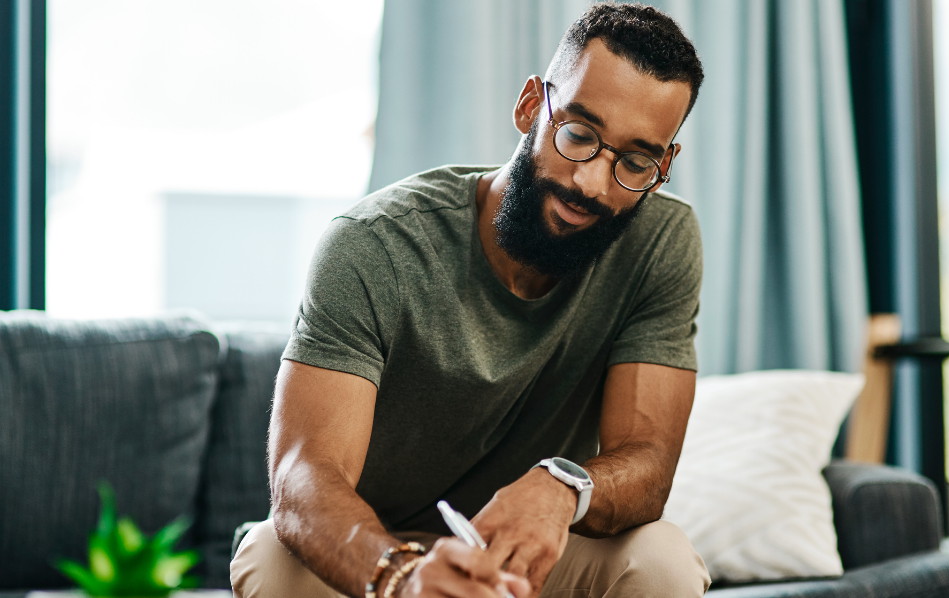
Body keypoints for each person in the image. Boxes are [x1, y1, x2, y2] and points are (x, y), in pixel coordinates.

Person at [231, 3, 709, 597]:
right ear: (531, 106)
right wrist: (401, 577)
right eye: (578, 134)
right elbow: (305, 478)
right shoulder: (374, 245)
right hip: (376, 548)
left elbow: (648, 463)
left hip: (527, 552)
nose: (591, 183)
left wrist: (563, 486)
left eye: (635, 161)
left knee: (660, 556)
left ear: (663, 165)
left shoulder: (661, 241)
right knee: (274, 557)